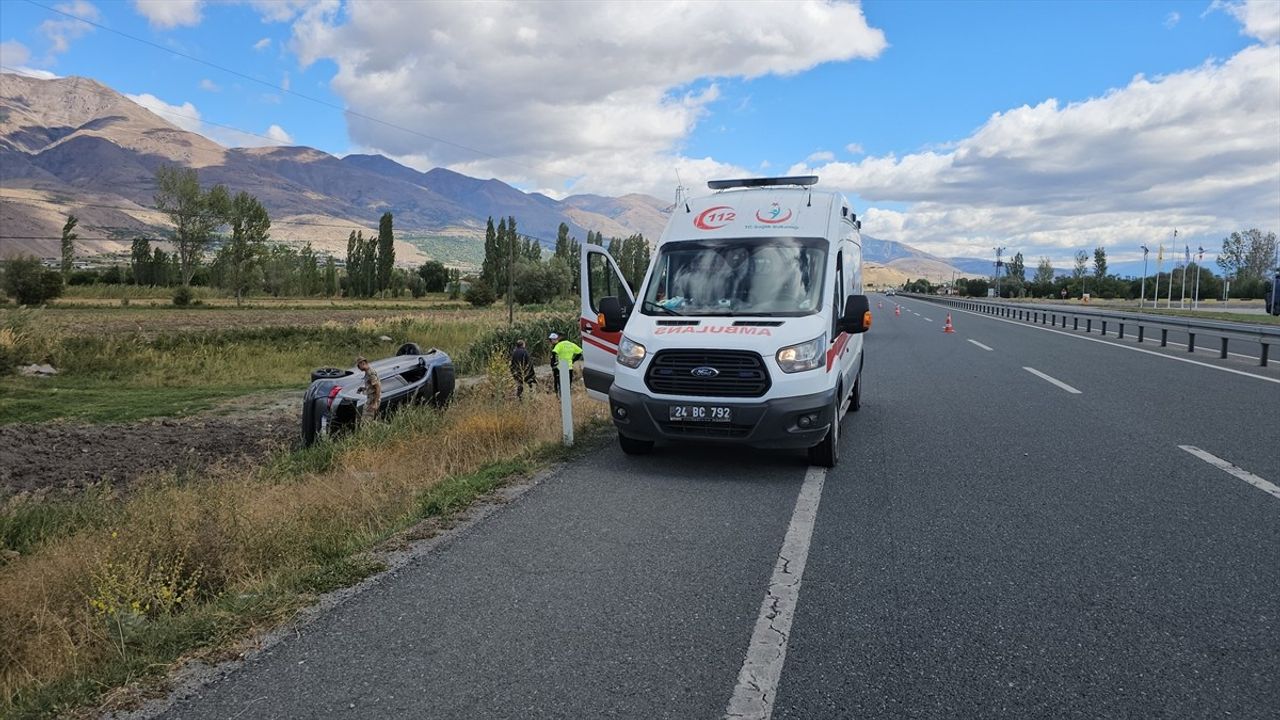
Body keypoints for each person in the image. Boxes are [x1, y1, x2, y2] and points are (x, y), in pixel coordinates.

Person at [355, 356, 381, 421]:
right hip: (370, 398)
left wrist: (375, 403)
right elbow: (372, 386)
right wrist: (363, 389)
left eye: (358, 366)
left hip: (372, 399)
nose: (359, 368)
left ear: (363, 363)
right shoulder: (367, 372)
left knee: (366, 420)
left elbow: (378, 387)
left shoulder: (370, 373)